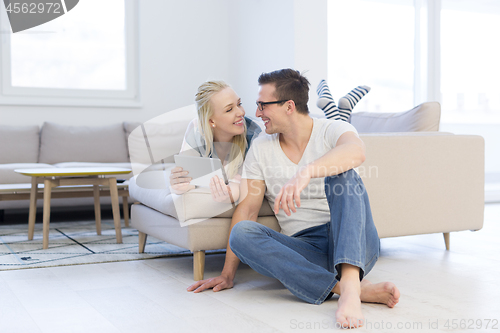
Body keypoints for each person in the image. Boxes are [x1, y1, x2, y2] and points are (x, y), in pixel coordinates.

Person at [187, 69, 400, 329]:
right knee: (241, 232)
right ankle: (344, 288)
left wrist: (306, 172)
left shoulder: (332, 129)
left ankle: (351, 292)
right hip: (307, 249)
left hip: (353, 240)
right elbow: (248, 210)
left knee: (344, 176)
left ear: (289, 106)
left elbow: (356, 151)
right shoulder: (261, 147)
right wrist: (227, 274)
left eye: (263, 105)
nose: (256, 113)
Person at [170, 80, 261, 203]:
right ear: (211, 121)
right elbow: (185, 180)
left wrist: (228, 195)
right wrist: (178, 184)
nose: (241, 112)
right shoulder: (197, 129)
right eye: (229, 110)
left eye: (239, 104)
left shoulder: (254, 136)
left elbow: (237, 188)